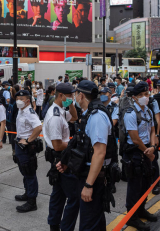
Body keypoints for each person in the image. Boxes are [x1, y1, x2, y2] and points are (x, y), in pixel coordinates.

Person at [58, 80, 114, 230]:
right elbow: (82, 144)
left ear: (81, 95)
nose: (74, 97)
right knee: (94, 220)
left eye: (76, 94)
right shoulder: (88, 113)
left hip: (93, 177)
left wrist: (88, 185)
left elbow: (99, 153)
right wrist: (66, 161)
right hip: (86, 173)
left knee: (88, 223)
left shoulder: (96, 116)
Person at [43, 83, 78, 231]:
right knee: (74, 197)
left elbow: (74, 117)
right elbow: (57, 145)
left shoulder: (60, 110)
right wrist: (74, 146)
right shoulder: (55, 116)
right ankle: (65, 227)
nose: (72, 98)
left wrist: (71, 104)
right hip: (60, 158)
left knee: (58, 194)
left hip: (60, 157)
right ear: (61, 96)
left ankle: (54, 225)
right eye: (70, 96)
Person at [123, 82, 158, 230]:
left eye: (147, 94)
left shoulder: (148, 111)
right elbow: (135, 138)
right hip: (135, 153)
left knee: (145, 183)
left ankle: (141, 209)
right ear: (134, 97)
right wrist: (148, 152)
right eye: (142, 95)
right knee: (135, 186)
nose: (145, 97)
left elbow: (152, 130)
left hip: (147, 150)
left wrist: (153, 147)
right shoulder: (130, 113)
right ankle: (132, 217)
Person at [14, 90, 42, 212]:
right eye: (17, 99)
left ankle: (32, 202)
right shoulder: (21, 110)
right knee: (24, 171)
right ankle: (27, 193)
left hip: (26, 147)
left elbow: (38, 127)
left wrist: (28, 140)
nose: (18, 101)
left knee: (29, 173)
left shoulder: (29, 112)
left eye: (21, 99)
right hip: (19, 144)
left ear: (27, 101)